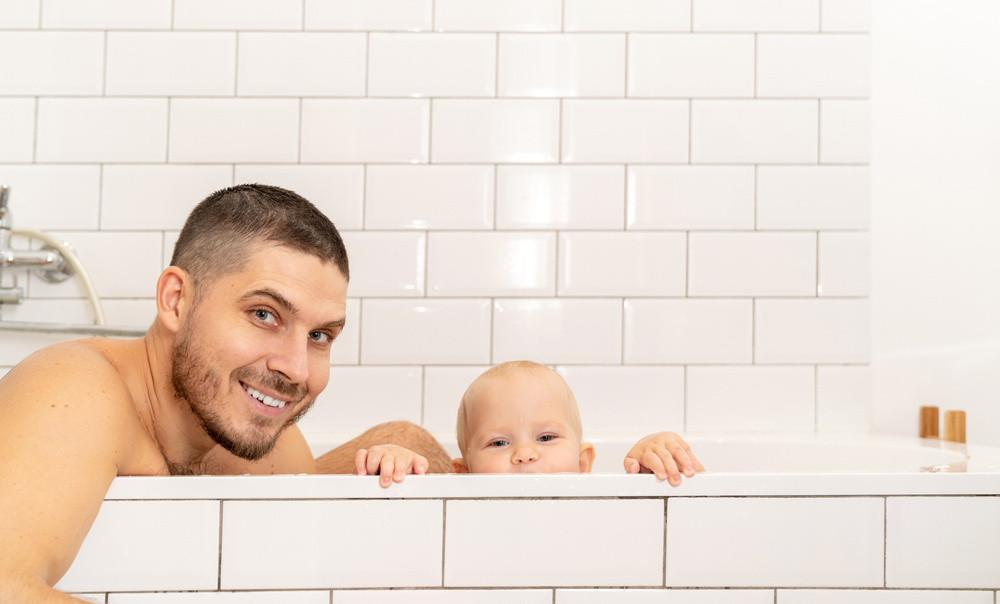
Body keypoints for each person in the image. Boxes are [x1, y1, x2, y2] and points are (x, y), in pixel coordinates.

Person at [0, 184, 451, 603]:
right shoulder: (73, 389)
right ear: (176, 300)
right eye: (263, 314)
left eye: (319, 336)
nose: (295, 370)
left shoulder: (270, 454)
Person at [356, 360, 705, 485]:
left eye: (547, 437)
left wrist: (653, 470)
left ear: (583, 464)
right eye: (499, 443)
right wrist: (389, 470)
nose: (525, 454)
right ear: (462, 475)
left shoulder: (597, 508)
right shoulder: (459, 515)